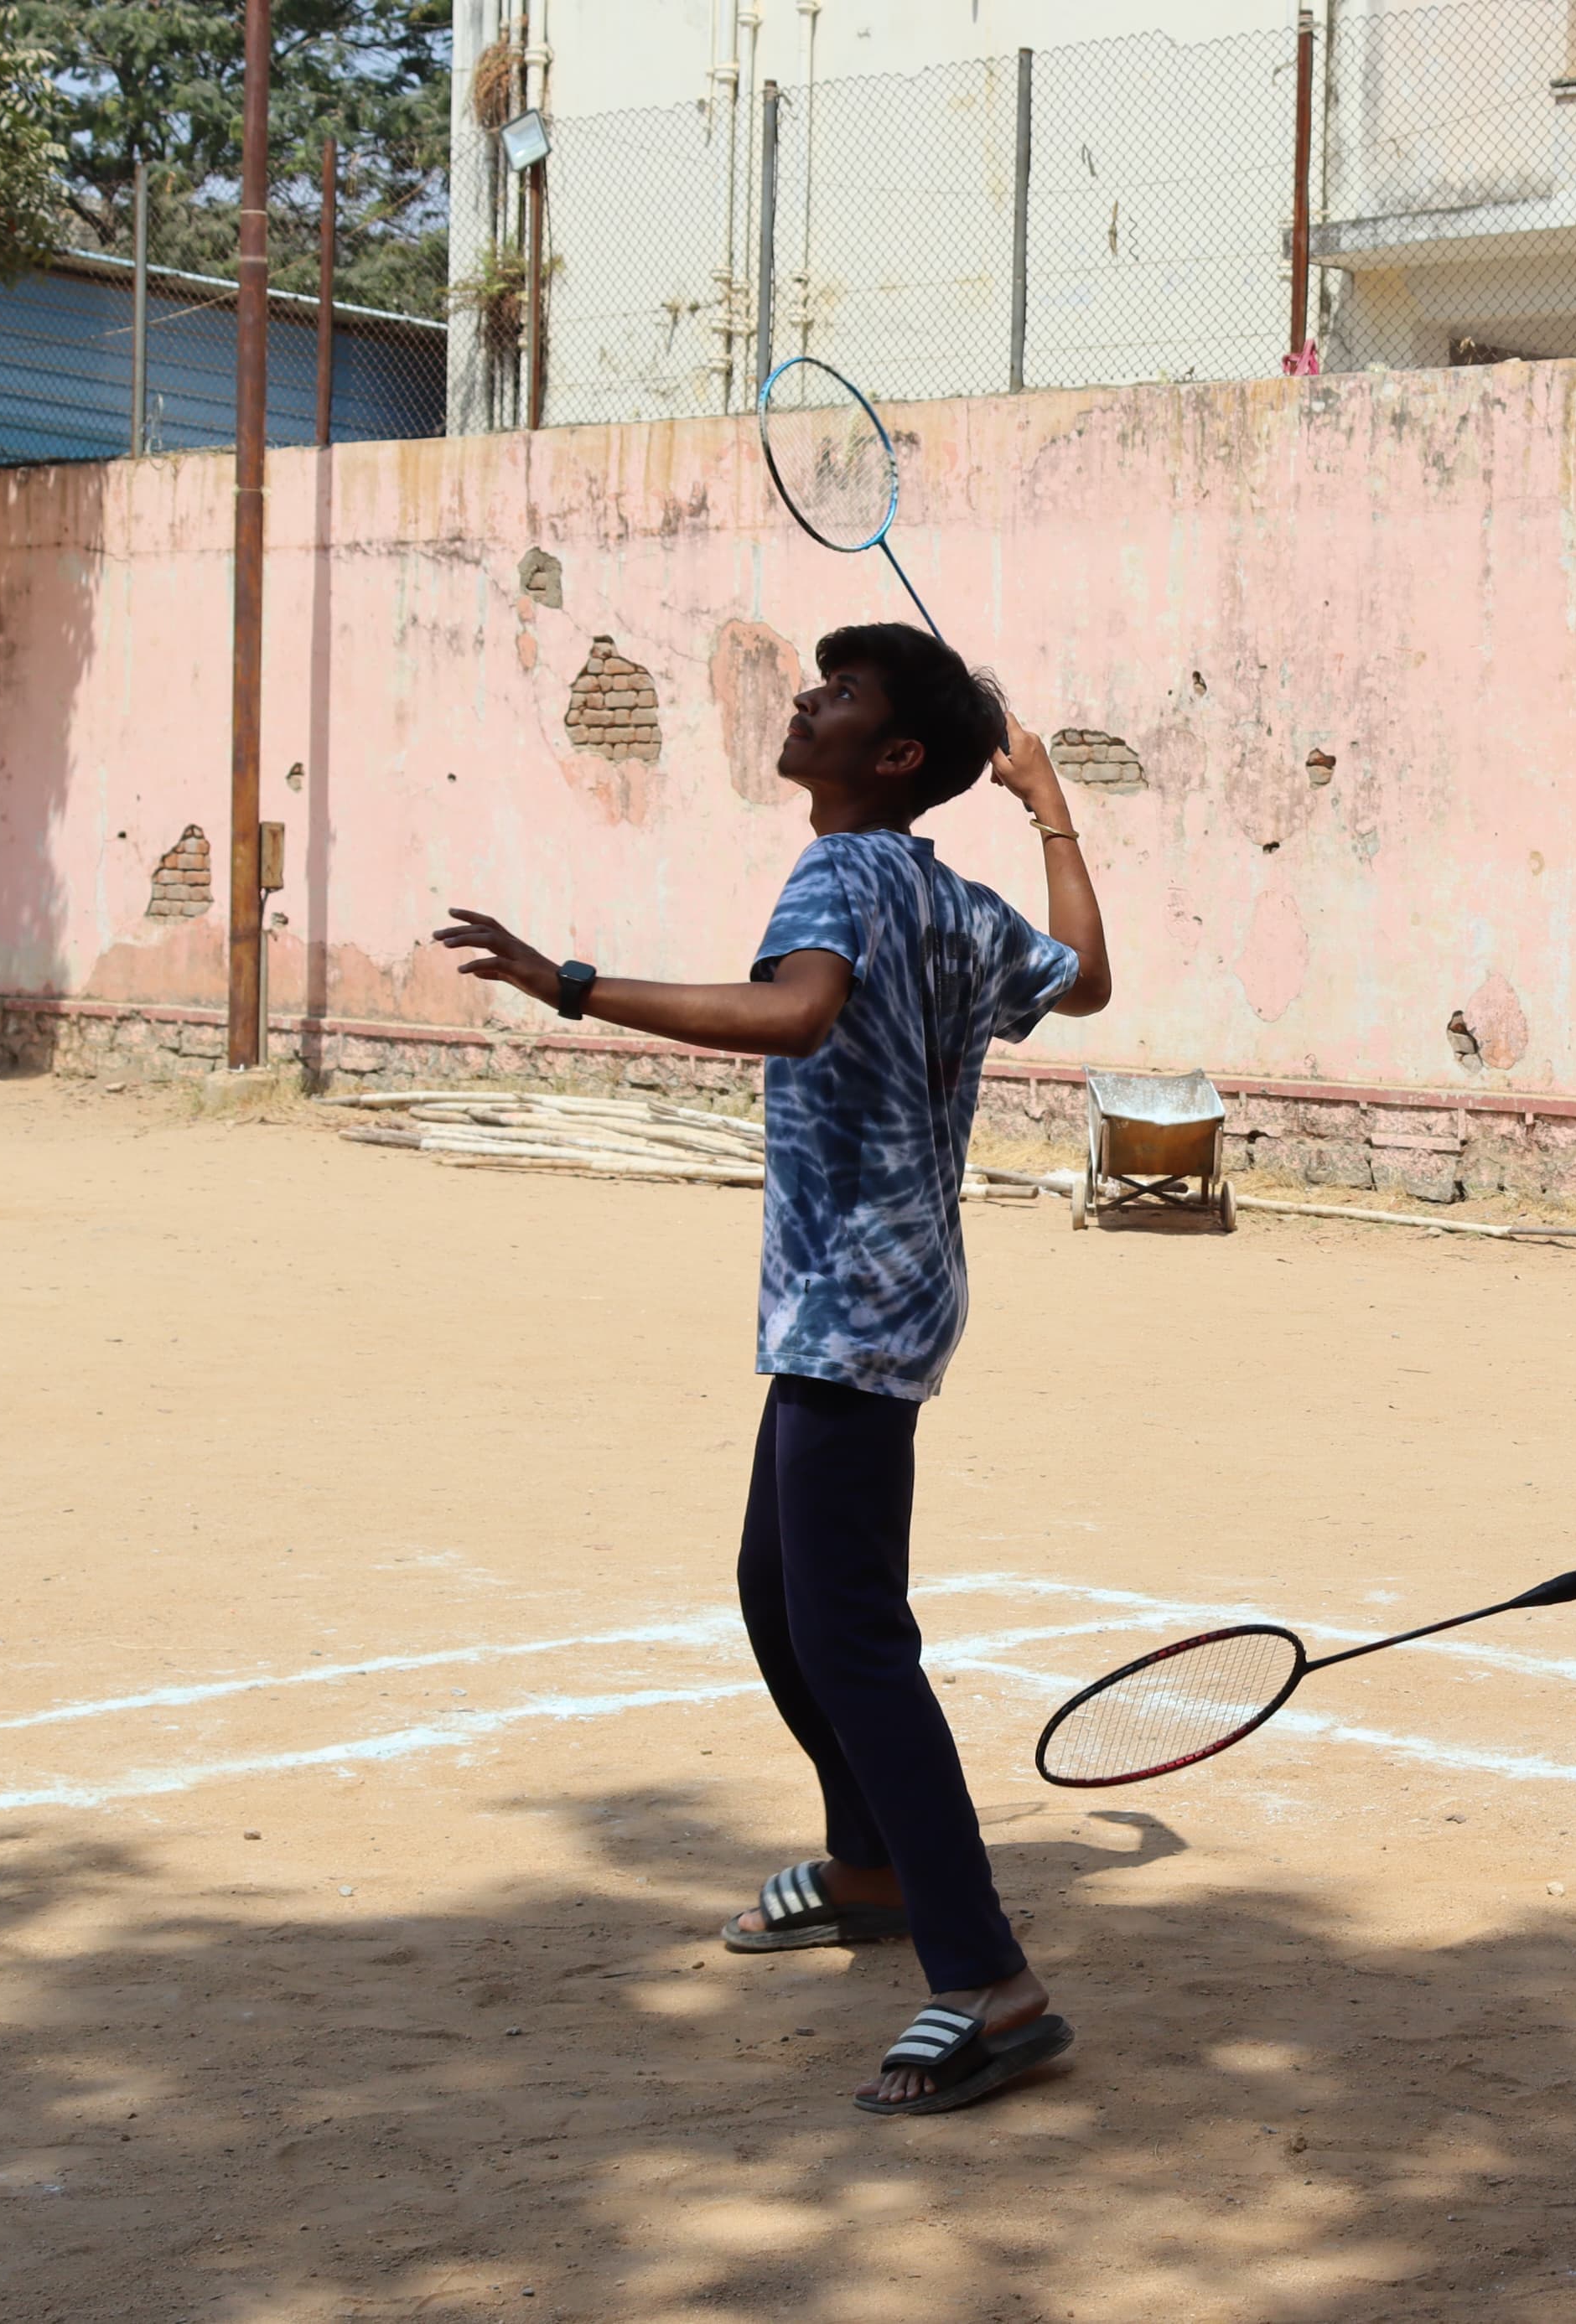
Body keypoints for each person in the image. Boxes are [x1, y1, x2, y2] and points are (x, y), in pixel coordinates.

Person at [432, 620, 1110, 2118]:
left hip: (853, 1308)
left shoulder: (843, 872)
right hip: (881, 1297)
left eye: (842, 693)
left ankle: (988, 1979)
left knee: (854, 1637)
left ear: (895, 757)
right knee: (776, 1590)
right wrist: (1047, 801)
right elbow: (1090, 976)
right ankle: (868, 1859)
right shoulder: (944, 890)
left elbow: (794, 1014)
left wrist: (571, 983)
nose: (807, 702)